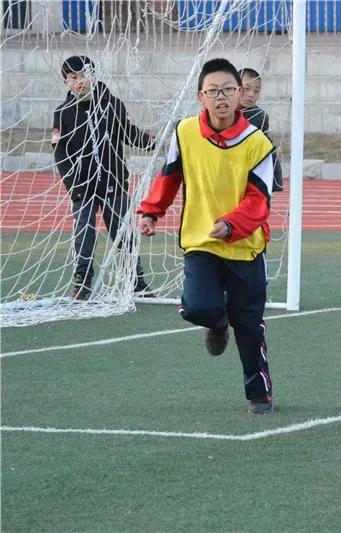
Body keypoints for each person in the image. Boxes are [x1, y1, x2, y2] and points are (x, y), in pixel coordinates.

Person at [136, 58, 277, 413]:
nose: (222, 98)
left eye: (229, 90)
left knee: (248, 324)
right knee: (197, 307)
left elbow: (259, 201)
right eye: (213, 91)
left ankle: (258, 395)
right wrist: (152, 211)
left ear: (240, 94)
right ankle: (216, 324)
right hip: (201, 242)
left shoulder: (258, 143)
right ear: (201, 96)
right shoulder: (184, 132)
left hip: (245, 246)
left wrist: (231, 224)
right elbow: (169, 177)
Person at [52, 55, 155, 300]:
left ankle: (136, 280)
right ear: (66, 81)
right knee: (84, 235)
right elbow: (60, 153)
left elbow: (129, 134)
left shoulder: (113, 105)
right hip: (82, 186)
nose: (79, 82)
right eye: (73, 78)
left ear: (94, 76)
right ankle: (82, 281)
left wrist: (153, 142)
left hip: (113, 181)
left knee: (123, 233)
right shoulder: (62, 113)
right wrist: (73, 185)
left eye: (84, 76)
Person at [238, 67, 283, 192]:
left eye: (256, 91)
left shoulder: (259, 116)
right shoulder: (221, 110)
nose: (251, 94)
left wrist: (275, 180)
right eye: (246, 89)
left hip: (247, 170)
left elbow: (267, 148)